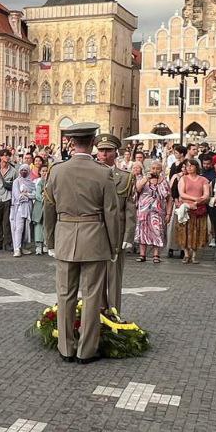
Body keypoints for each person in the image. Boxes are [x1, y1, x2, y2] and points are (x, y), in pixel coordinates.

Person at [43, 123, 118, 364]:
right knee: (92, 295)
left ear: (71, 143)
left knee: (65, 294)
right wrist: (114, 244)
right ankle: (86, 350)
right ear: (93, 142)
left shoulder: (57, 170)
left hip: (65, 236)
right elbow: (111, 212)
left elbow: (49, 208)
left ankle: (65, 347)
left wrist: (50, 239)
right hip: (94, 237)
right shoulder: (103, 172)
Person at [95, 134, 135, 312]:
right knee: (94, 277)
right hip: (94, 232)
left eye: (108, 151)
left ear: (115, 153)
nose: (104, 154)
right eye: (101, 150)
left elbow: (129, 208)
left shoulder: (125, 178)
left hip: (117, 234)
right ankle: (96, 314)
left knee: (114, 277)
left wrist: (128, 234)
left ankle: (114, 314)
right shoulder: (91, 176)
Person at [173, 159, 211, 264]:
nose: (189, 168)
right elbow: (182, 194)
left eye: (191, 166)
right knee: (184, 231)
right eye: (187, 166)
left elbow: (206, 194)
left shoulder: (203, 179)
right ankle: (186, 254)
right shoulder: (183, 179)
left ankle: (194, 255)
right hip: (186, 208)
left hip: (199, 208)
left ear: (196, 167)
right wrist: (195, 199)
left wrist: (199, 201)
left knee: (197, 230)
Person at [135, 161, 171, 264]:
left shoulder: (164, 182)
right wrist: (146, 179)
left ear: (161, 170)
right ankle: (142, 254)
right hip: (144, 210)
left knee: (157, 231)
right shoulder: (144, 180)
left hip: (158, 211)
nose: (155, 170)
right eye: (153, 168)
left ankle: (156, 254)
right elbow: (137, 189)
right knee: (143, 232)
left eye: (157, 168)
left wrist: (168, 213)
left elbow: (169, 198)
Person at [10, 165, 36, 257]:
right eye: (22, 170)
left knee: (26, 229)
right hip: (19, 209)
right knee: (18, 228)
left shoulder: (31, 183)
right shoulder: (16, 182)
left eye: (26, 170)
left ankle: (23, 247)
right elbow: (17, 197)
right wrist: (28, 196)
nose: (24, 172)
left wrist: (26, 195)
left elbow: (35, 195)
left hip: (28, 208)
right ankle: (17, 248)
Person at [30, 164, 49, 255]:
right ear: (40, 172)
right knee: (38, 226)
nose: (45, 172)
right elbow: (37, 195)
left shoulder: (51, 182)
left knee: (47, 225)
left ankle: (46, 244)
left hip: (48, 206)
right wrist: (43, 197)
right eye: (43, 171)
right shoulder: (38, 182)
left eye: (46, 170)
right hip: (39, 206)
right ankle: (38, 246)